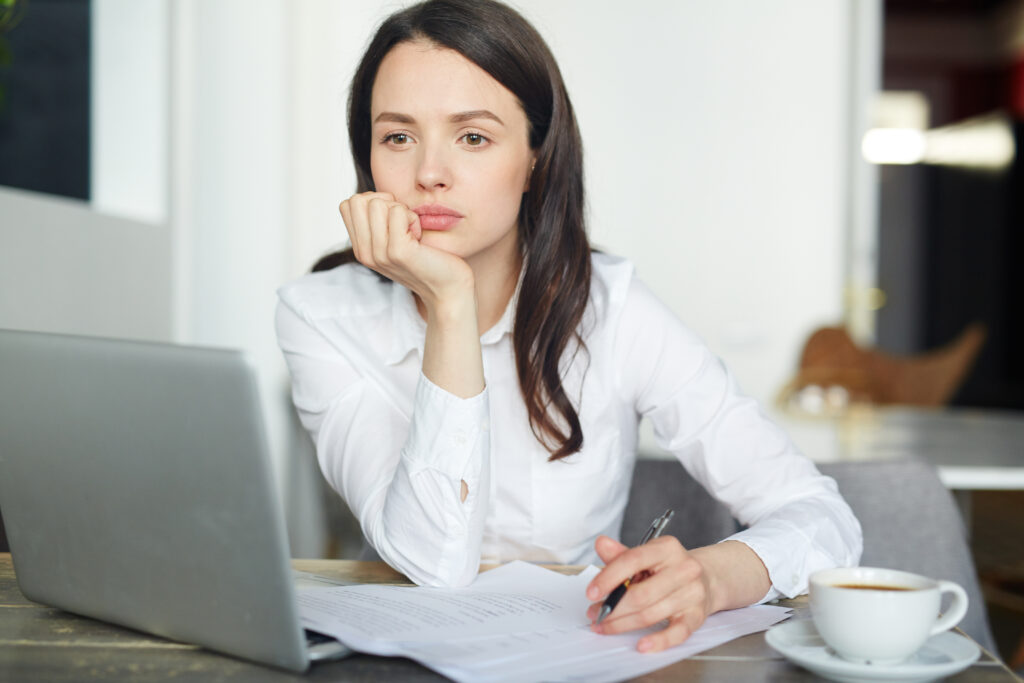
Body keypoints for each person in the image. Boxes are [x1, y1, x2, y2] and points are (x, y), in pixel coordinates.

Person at [276, 0, 862, 654]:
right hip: (394, 659)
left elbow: (823, 515)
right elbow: (433, 562)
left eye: (472, 136)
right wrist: (450, 301)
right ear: (369, 158)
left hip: (578, 653)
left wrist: (717, 573)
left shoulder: (615, 310)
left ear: (535, 158)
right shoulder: (322, 314)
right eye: (398, 137)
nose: (428, 174)